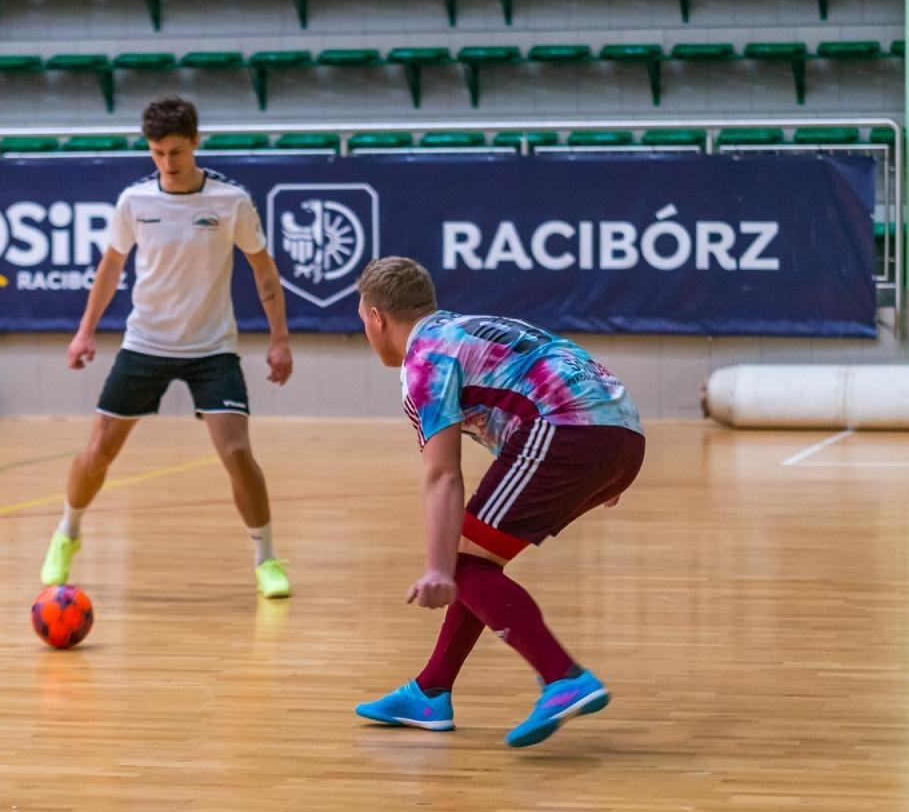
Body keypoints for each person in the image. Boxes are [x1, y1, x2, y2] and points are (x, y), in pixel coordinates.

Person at [351, 257, 644, 747]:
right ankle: (431, 690)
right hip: (622, 431)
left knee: (462, 565)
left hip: (567, 432)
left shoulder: (423, 362)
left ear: (377, 318)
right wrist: (609, 462)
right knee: (476, 558)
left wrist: (436, 568)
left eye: (362, 320)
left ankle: (562, 677)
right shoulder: (468, 326)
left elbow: (443, 474)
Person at [39, 96, 294, 599]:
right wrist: (85, 330)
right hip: (146, 342)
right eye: (157, 153)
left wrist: (279, 341)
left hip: (212, 347)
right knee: (98, 451)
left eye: (176, 152)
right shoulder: (134, 202)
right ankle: (66, 533)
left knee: (238, 453)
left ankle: (266, 558)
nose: (167, 164)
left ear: (196, 142)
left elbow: (264, 271)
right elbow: (111, 266)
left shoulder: (230, 202)